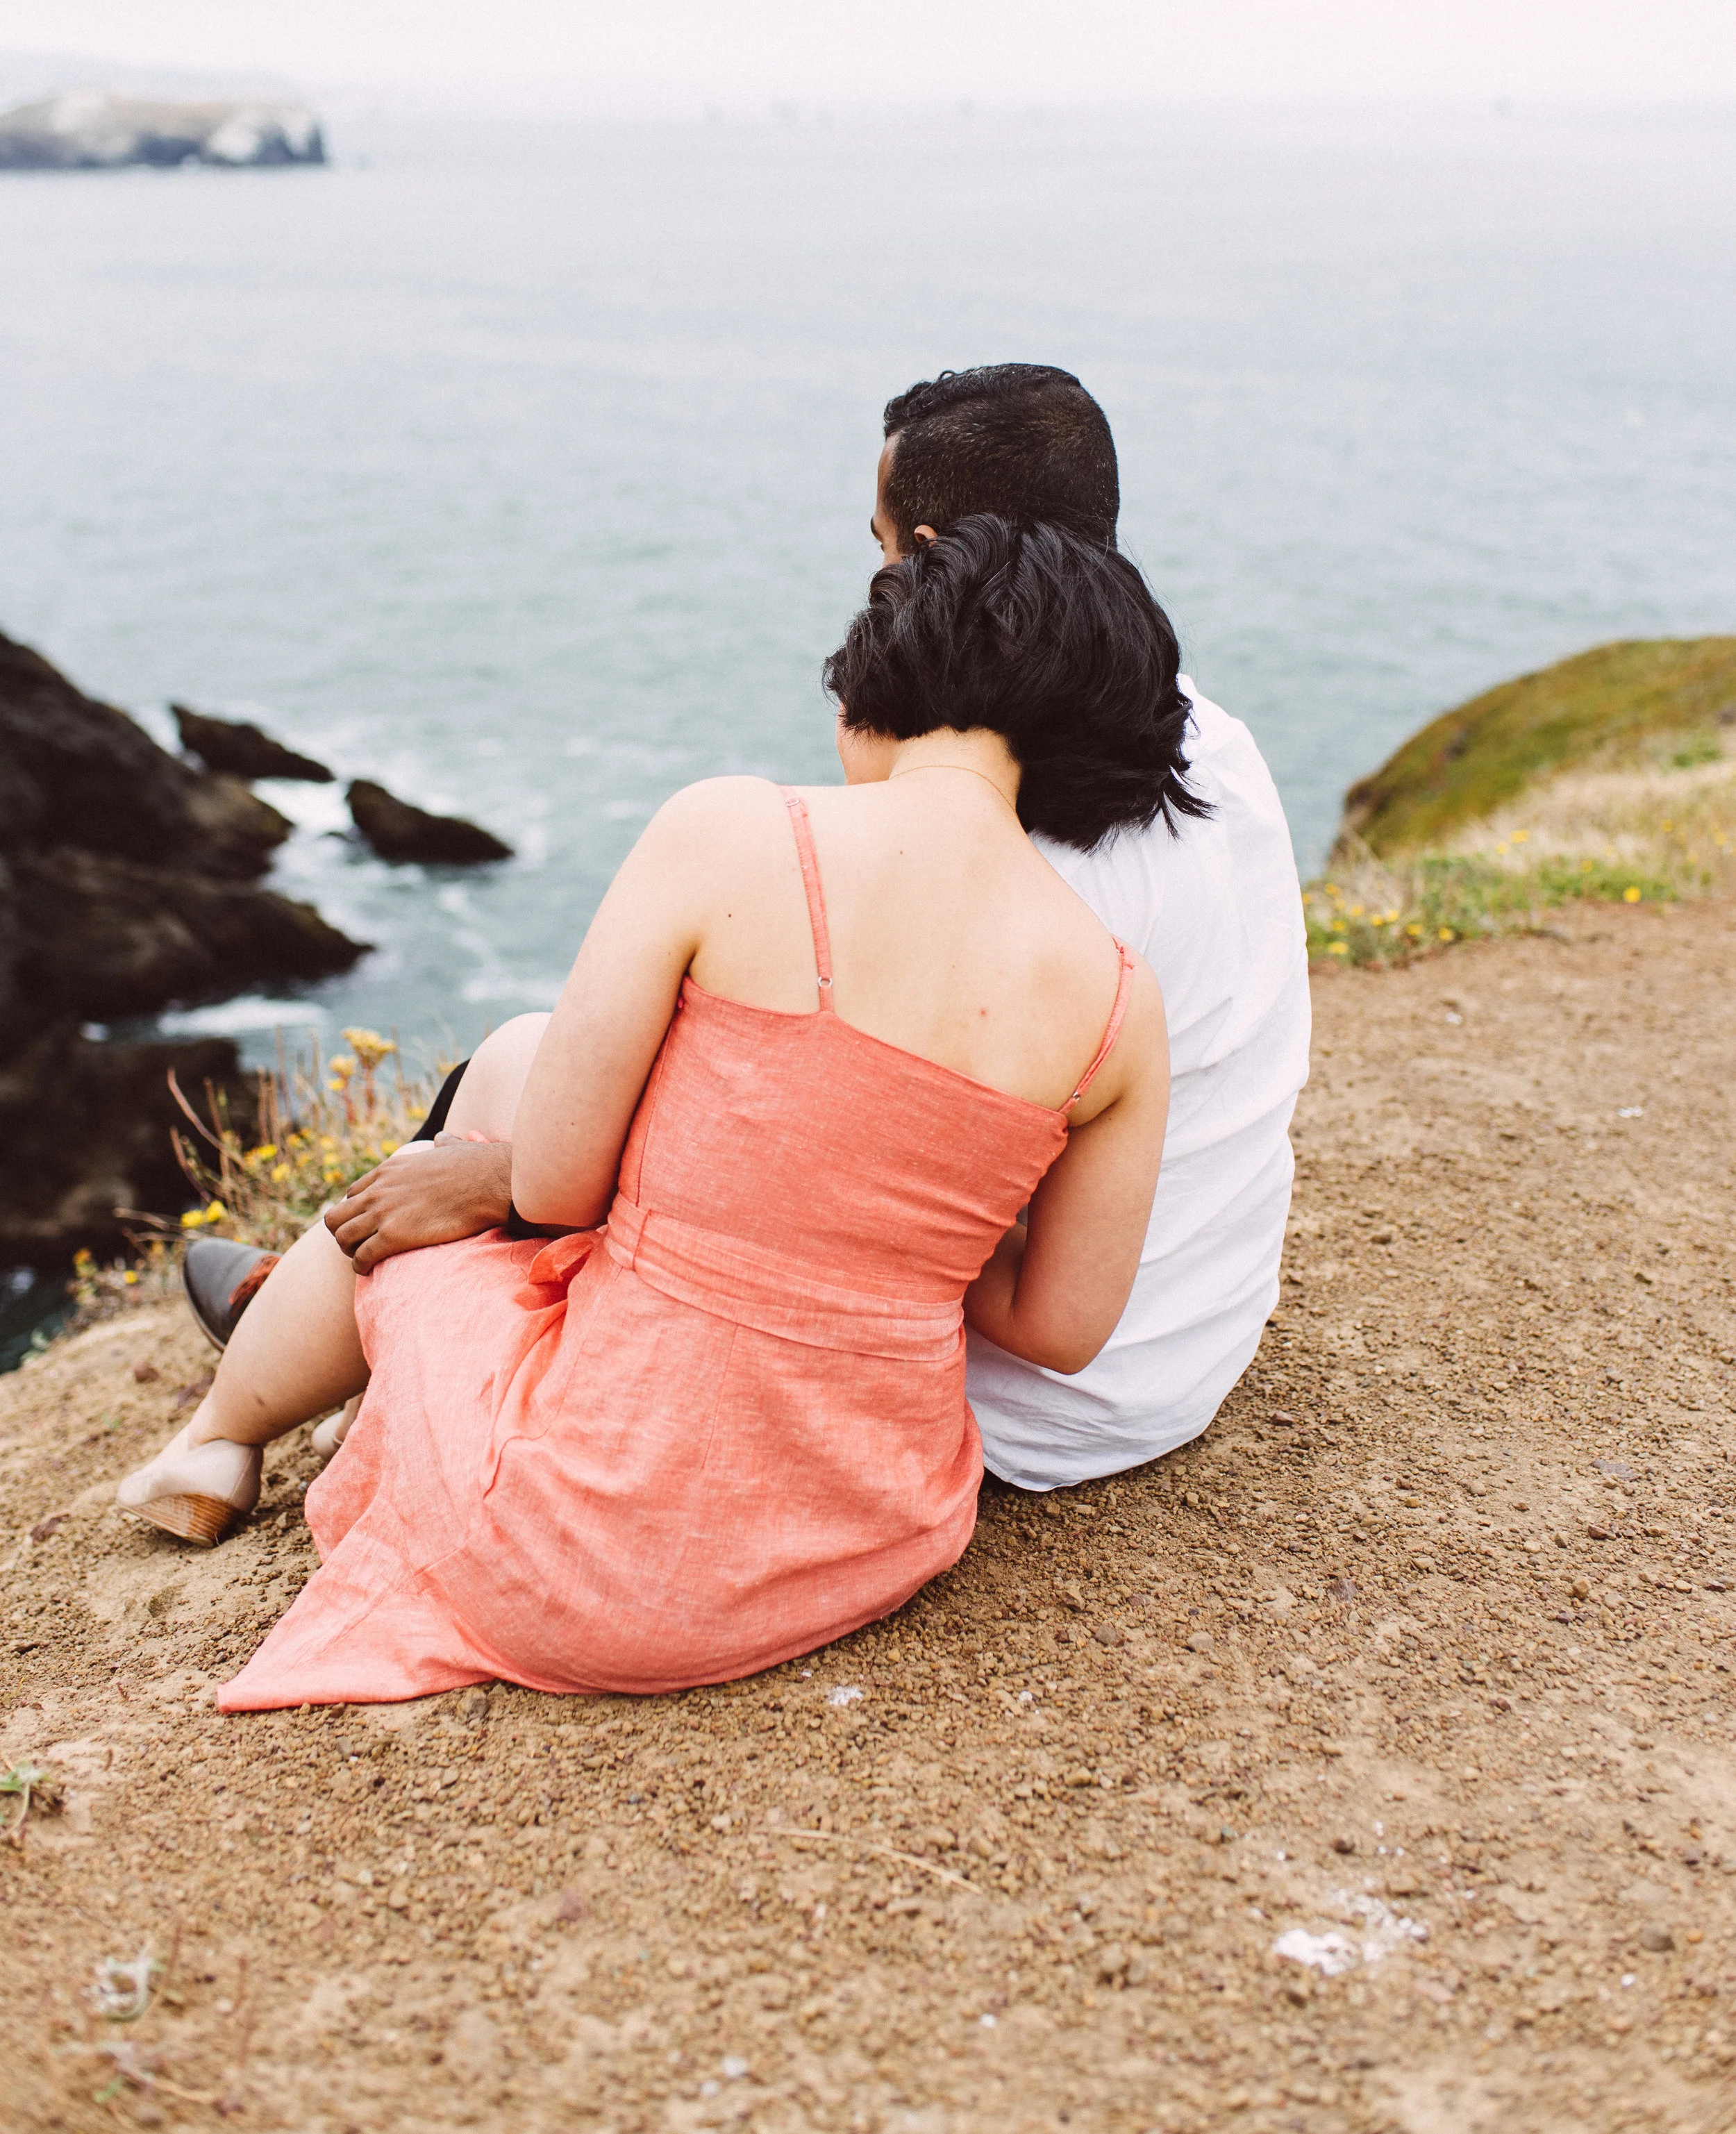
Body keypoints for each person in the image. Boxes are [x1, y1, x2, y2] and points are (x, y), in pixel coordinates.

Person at [116, 517, 1187, 1707]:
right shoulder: (1121, 1002)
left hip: (575, 1551)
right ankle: (271, 1418)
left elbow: (553, 1185)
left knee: (446, 1187)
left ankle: (215, 1440)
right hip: (867, 1543)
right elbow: (1059, 1326)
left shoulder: (731, 831)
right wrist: (891, 1230)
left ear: (891, 667)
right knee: (518, 1102)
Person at [277, 365, 1310, 1490]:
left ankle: (305, 1338)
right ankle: (305, 1321)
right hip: (1182, 1349)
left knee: (527, 1080)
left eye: (882, 550)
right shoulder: (1212, 741)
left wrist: (504, 1183)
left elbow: (807, 1164)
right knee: (551, 1092)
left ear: (928, 561)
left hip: (1004, 1402)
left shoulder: (1010, 859)